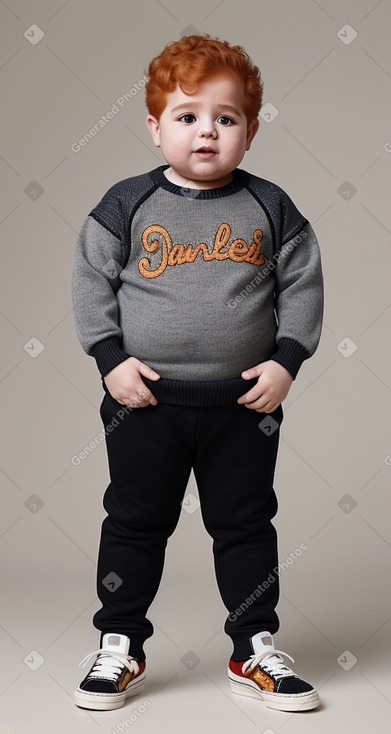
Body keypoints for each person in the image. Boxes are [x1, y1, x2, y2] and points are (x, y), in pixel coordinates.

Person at [71, 33, 324, 713]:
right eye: (187, 116)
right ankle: (119, 642)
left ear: (250, 130)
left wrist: (286, 360)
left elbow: (301, 288)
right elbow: (91, 282)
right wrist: (109, 360)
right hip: (143, 402)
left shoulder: (271, 207)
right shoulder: (126, 203)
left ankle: (253, 646)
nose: (205, 131)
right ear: (155, 128)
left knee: (244, 525)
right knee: (133, 523)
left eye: (225, 117)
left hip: (244, 404)